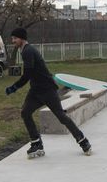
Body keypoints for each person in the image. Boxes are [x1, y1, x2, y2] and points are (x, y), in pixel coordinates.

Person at [5, 27, 92, 158]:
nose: (13, 41)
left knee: (61, 117)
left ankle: (83, 141)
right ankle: (36, 143)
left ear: (21, 38)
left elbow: (27, 74)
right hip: (36, 90)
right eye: (12, 38)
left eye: (15, 38)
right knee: (25, 112)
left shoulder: (28, 51)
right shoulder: (25, 51)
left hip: (47, 90)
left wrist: (14, 87)